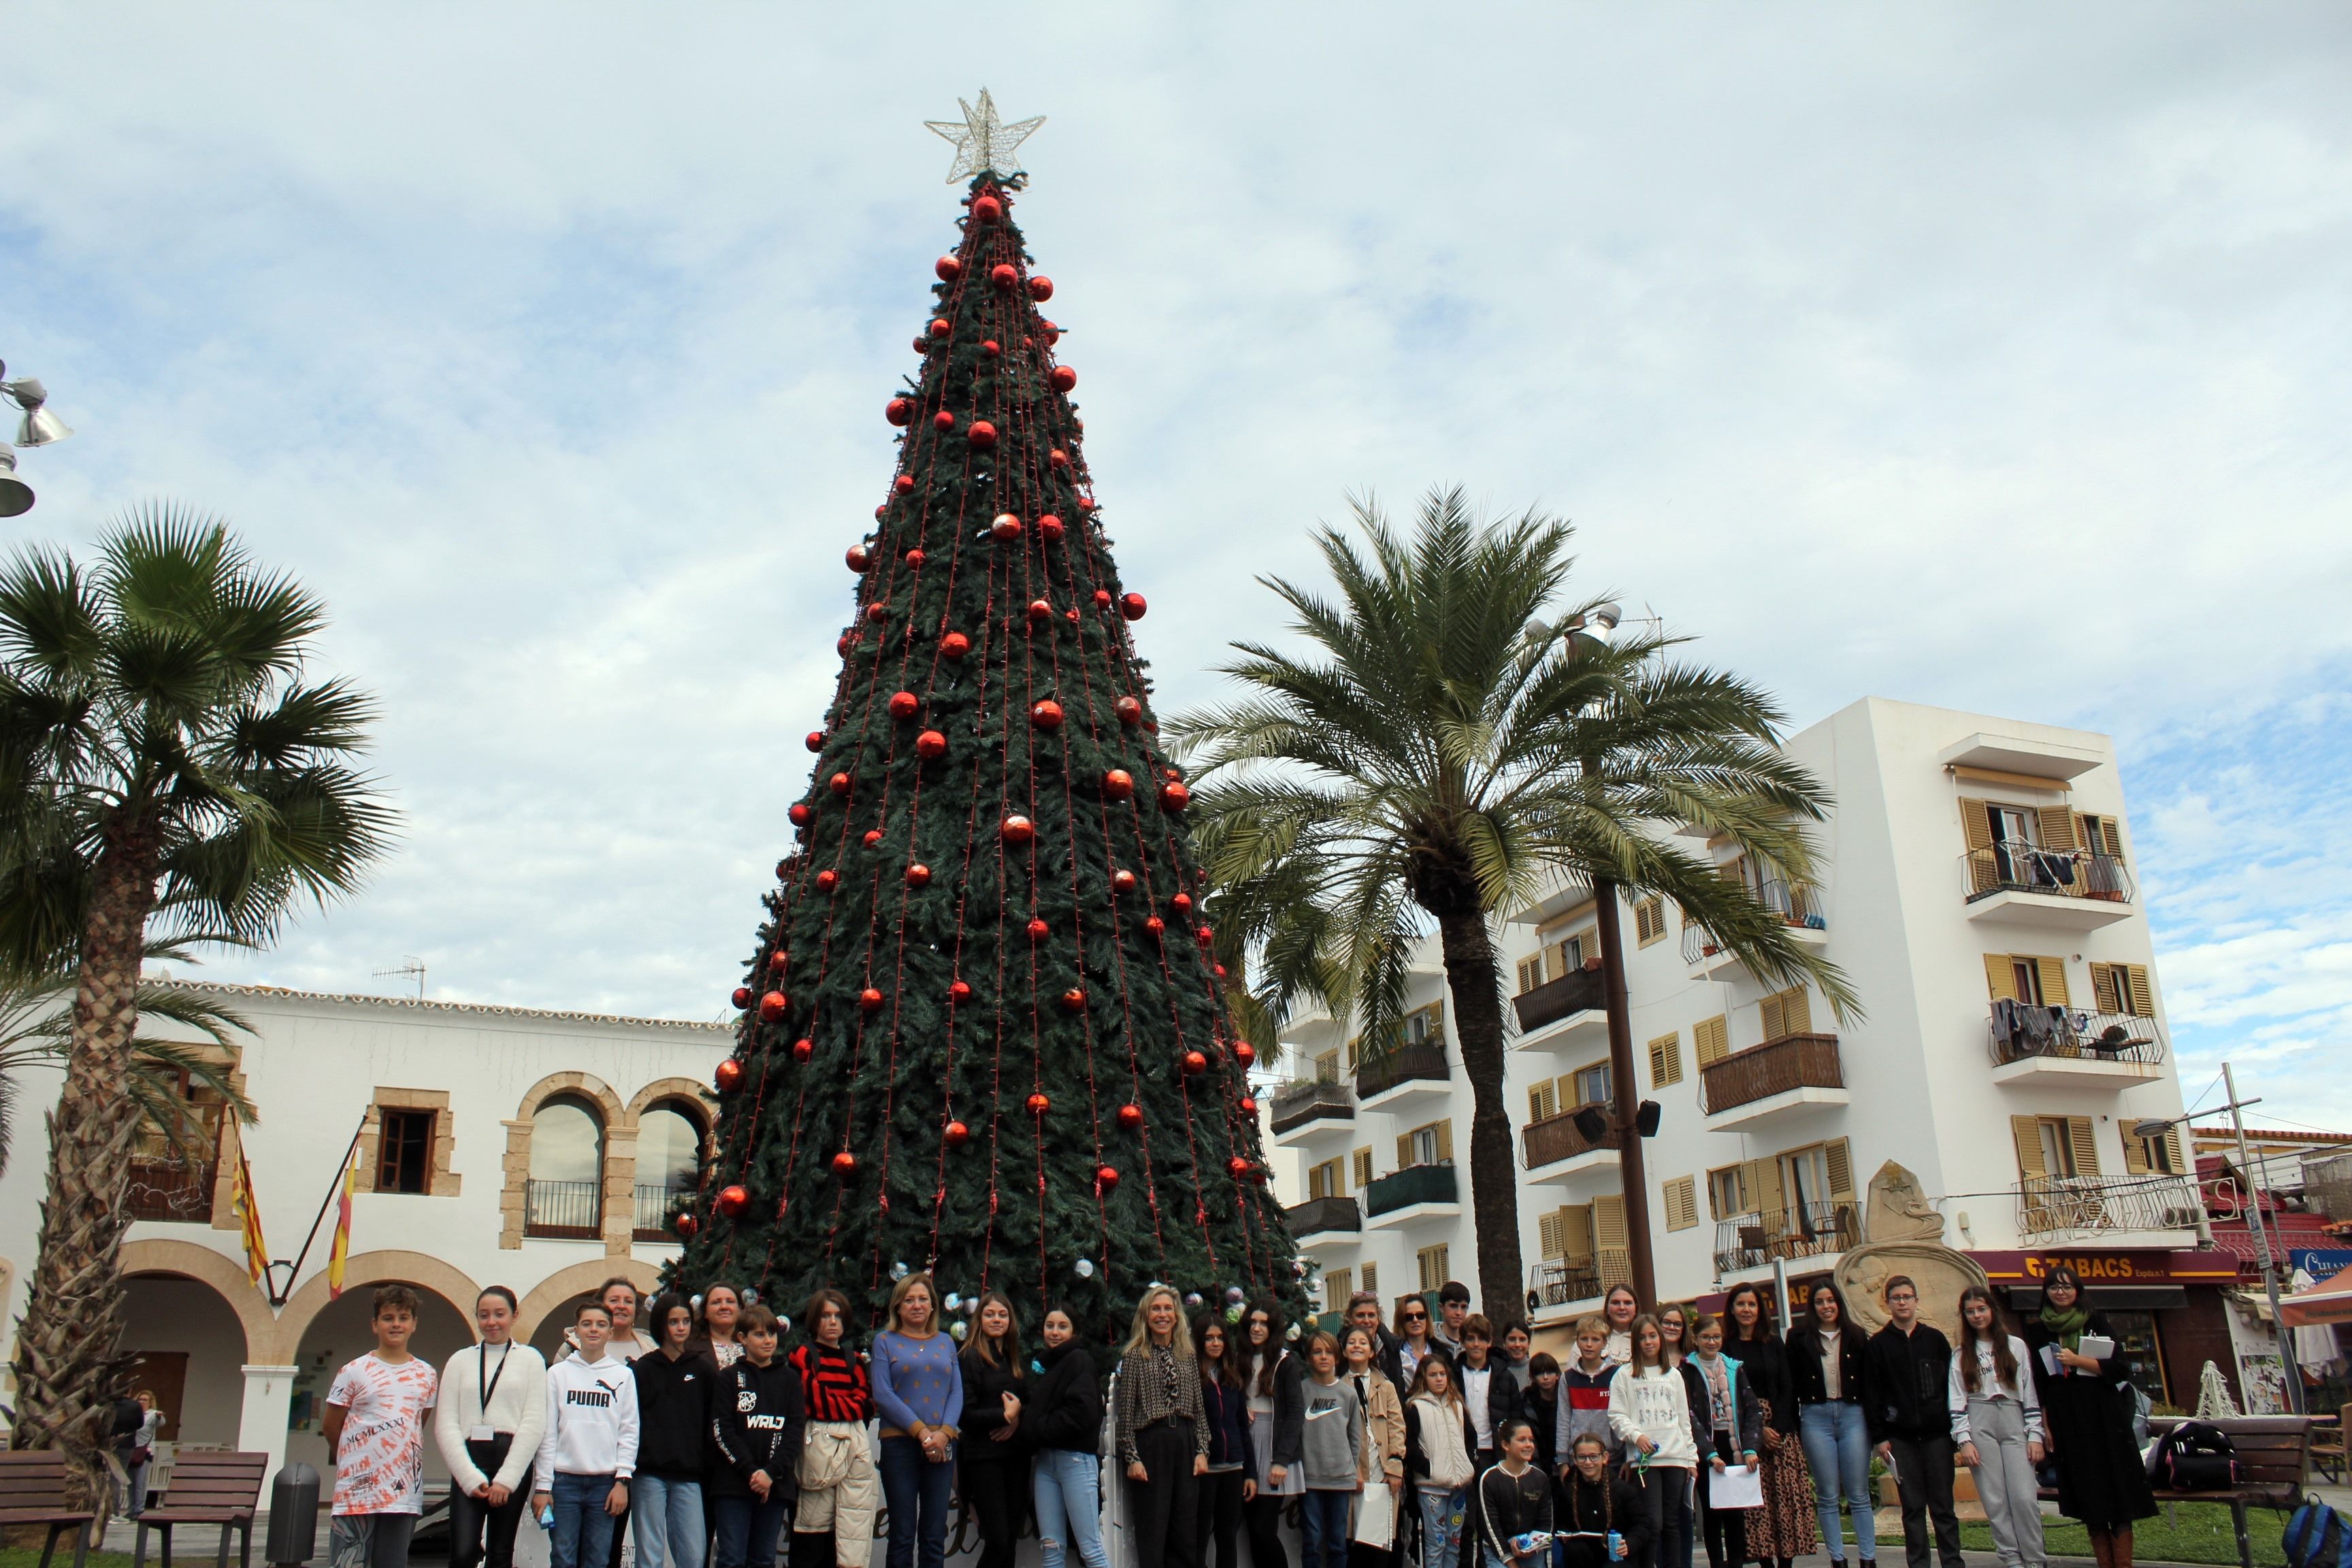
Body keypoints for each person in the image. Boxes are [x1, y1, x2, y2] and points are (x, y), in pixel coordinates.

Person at [2021, 1264, 2153, 1568]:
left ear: (2077, 1291)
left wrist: (2079, 1360)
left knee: (2117, 1498)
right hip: (2068, 1421)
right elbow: (2041, 1381)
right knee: (2089, 1500)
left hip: (2104, 1419)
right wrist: (2046, 1423)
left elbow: (2120, 1368)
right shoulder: (2039, 1329)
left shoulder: (2096, 1321)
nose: (2061, 1293)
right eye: (2054, 1288)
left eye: (2067, 1287)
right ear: (2047, 1293)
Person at [325, 1284, 440, 1568]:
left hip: (402, 1494)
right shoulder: (353, 1371)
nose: (396, 1324)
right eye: (388, 1318)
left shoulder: (426, 1374)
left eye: (403, 1318)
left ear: (414, 1324)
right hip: (357, 1491)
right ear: (375, 1325)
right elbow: (331, 1426)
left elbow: (417, 1423)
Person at [436, 1285, 549, 1568]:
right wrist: (468, 1477)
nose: (492, 1322)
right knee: (462, 1553)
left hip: (510, 1461)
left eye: (500, 1314)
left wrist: (507, 1480)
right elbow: (446, 1424)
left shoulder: (530, 1359)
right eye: (484, 1315)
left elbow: (534, 1422)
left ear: (514, 1316)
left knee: (500, 1554)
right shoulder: (459, 1360)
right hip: (470, 1462)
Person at [1865, 1277, 1963, 1568]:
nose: (1903, 1302)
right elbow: (1873, 1395)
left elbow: (1952, 1387)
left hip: (1937, 1436)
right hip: (1900, 1438)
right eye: (1897, 1298)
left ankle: (1953, 1562)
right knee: (1912, 1508)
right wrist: (1880, 1438)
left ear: (1917, 1301)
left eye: (1908, 1297)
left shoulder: (1935, 1340)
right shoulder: (1878, 1345)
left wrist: (1956, 1432)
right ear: (1888, 1303)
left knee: (1944, 1506)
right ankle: (1918, 1564)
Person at [532, 1298, 637, 1568]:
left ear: (610, 1332)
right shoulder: (557, 1374)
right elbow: (548, 1433)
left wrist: (622, 1480)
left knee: (598, 1558)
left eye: (601, 1325)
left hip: (605, 1483)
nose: (594, 1330)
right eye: (587, 1324)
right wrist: (544, 1486)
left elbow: (628, 1430)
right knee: (563, 1556)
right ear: (575, 1330)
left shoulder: (623, 1376)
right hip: (564, 1482)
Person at [872, 1272, 963, 1568]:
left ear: (933, 1305)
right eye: (909, 1300)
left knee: (935, 1534)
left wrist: (944, 1434)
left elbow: (956, 1392)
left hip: (941, 1446)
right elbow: (883, 1394)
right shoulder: (885, 1341)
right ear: (898, 1307)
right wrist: (923, 1433)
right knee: (902, 1533)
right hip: (900, 1446)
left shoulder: (947, 1342)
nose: (917, 1305)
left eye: (923, 1299)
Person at [1950, 1286, 2045, 1568]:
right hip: (1981, 1418)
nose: (1977, 1315)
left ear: (1992, 1310)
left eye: (1981, 1309)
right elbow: (1957, 1398)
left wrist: (2036, 1434)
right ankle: (2012, 1559)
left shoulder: (2015, 1346)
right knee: (1995, 1500)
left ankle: (2035, 1560)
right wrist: (1964, 1439)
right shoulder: (1961, 1353)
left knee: (2024, 1498)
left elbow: (2029, 1391)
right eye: (1970, 1311)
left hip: (2014, 1416)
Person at [1115, 1284, 1209, 1568]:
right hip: (1152, 1444)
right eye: (1156, 1309)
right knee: (1153, 1527)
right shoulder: (1134, 1356)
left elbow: (1199, 1409)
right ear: (1146, 1315)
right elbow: (1126, 1413)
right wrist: (1132, 1458)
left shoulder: (1188, 1355)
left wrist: (1202, 1450)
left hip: (1184, 1440)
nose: (1162, 1314)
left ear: (1177, 1316)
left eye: (1168, 1308)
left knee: (1184, 1529)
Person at [1720, 1285, 1814, 1568]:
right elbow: (1726, 1392)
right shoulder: (1725, 1347)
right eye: (1741, 1304)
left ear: (1760, 1310)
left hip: (1780, 1431)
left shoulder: (1774, 1343)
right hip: (1746, 1430)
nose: (1746, 1310)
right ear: (1732, 1310)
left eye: (1752, 1304)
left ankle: (1787, 1562)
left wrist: (1780, 1429)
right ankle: (1765, 1563)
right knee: (1756, 1504)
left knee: (1785, 1501)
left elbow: (1788, 1386)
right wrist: (1756, 1433)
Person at [788, 1287, 879, 1568]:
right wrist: (845, 1408)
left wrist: (836, 1406)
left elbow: (865, 1404)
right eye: (826, 1315)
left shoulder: (855, 1361)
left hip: (852, 1459)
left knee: (845, 1544)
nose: (832, 1322)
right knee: (811, 1543)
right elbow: (811, 1401)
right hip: (815, 1460)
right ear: (815, 1319)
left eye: (838, 1316)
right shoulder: (801, 1356)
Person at [1786, 1282, 1873, 1568]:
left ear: (1839, 1303)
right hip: (1815, 1415)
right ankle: (1837, 1558)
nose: (1827, 1307)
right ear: (1813, 1306)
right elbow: (1791, 1383)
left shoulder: (1856, 1335)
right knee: (1827, 1493)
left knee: (1858, 1493)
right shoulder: (1798, 1338)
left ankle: (1868, 1558)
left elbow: (1869, 1383)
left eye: (1831, 1301)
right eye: (1820, 1302)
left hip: (1852, 1415)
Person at [708, 1304, 802, 1568]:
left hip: (775, 1484)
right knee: (731, 1558)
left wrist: (770, 1474)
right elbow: (722, 1430)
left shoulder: (790, 1379)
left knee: (763, 1560)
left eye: (772, 1334)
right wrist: (751, 1472)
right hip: (733, 1484)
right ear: (742, 1338)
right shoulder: (729, 1378)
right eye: (760, 1334)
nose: (768, 1340)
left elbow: (794, 1432)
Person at [630, 1292, 713, 1568]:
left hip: (689, 1475)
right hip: (649, 1474)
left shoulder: (701, 1370)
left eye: (686, 1321)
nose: (681, 1327)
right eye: (674, 1321)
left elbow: (711, 1422)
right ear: (661, 1325)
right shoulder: (643, 1369)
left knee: (692, 1555)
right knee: (649, 1555)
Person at [1607, 1316, 1697, 1568]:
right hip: (1644, 1461)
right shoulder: (1624, 1375)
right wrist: (1637, 1436)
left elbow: (1683, 1419)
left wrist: (1691, 1458)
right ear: (1635, 1342)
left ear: (1660, 1338)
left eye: (1652, 1336)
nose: (1648, 1342)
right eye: (1642, 1337)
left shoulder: (1674, 1376)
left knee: (1672, 1523)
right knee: (1652, 1523)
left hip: (1676, 1457)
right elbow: (1616, 1415)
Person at [1030, 1303, 1111, 1568]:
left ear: (1074, 1331)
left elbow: (1083, 1412)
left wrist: (1040, 1428)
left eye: (1062, 1326)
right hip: (1045, 1465)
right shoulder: (1046, 1367)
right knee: (1052, 1551)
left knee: (1090, 1550)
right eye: (1050, 1326)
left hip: (1075, 1462)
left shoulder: (1079, 1361)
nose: (1055, 1332)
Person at [958, 1290, 1031, 1568]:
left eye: (1003, 1315)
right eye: (990, 1314)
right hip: (984, 1458)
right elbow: (965, 1415)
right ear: (980, 1319)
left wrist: (1016, 1419)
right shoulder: (970, 1357)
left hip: (1016, 1457)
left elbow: (1029, 1401)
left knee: (1011, 1540)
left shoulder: (1013, 1358)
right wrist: (1003, 1415)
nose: (997, 1319)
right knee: (998, 1539)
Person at [1686, 1316, 1761, 1568]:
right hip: (1706, 1447)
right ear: (1696, 1339)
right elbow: (1688, 1414)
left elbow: (1752, 1409)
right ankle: (1717, 1563)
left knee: (1735, 1513)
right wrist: (1708, 1452)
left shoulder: (1734, 1367)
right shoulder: (1686, 1370)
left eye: (1716, 1337)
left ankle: (1737, 1562)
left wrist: (1750, 1447)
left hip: (1734, 1445)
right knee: (1711, 1512)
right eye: (1706, 1337)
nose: (1711, 1342)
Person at [1241, 1297, 1306, 1568]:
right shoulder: (1239, 1358)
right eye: (1253, 1322)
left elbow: (1294, 1411)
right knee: (1252, 1535)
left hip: (1272, 1447)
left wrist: (1281, 1459)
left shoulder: (1285, 1361)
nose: (1257, 1328)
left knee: (1263, 1530)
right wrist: (1240, 1406)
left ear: (1273, 1328)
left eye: (1263, 1324)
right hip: (1246, 1446)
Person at [1196, 1313, 1258, 1568]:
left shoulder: (1232, 1379)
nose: (1215, 1343)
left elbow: (1243, 1429)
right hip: (1204, 1470)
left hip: (1233, 1468)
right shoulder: (1193, 1379)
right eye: (1209, 1338)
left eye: (1220, 1338)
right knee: (1198, 1537)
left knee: (1227, 1536)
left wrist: (1250, 1473)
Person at [1405, 1353, 1478, 1568]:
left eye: (1443, 1374)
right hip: (1432, 1488)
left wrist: (1470, 1465)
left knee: (1453, 1542)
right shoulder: (1415, 1407)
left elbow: (1470, 1437)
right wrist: (1427, 1468)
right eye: (1433, 1375)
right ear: (1423, 1378)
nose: (1439, 1379)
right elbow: (1409, 1445)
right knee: (1435, 1543)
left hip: (1458, 1486)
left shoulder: (1457, 1405)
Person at [1343, 1324, 1406, 1568]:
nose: (1357, 1346)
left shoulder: (1386, 1387)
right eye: (1352, 1342)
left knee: (1380, 1546)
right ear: (1344, 1350)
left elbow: (1397, 1428)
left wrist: (1394, 1467)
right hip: (1355, 1476)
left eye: (1363, 1342)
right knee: (1355, 1545)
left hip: (1382, 1475)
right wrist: (1352, 1470)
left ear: (1372, 1352)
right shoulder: (1340, 1388)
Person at [1558, 1433, 1650, 1568]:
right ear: (1575, 1460)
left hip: (1615, 1556)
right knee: (1574, 1550)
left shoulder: (1622, 1489)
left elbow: (1642, 1524)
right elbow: (1561, 1524)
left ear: (1605, 1457)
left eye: (1594, 1456)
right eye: (1582, 1457)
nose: (1588, 1462)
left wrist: (1629, 1543)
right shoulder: (1568, 1490)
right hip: (1584, 1556)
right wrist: (1565, 1536)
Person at [1477, 1418, 1553, 1568]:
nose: (1528, 1445)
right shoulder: (1490, 1478)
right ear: (1506, 1445)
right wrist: (1510, 1562)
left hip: (1531, 1547)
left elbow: (1546, 1524)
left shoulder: (1540, 1478)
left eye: (1531, 1440)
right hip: (1499, 1547)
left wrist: (1531, 1547)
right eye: (1522, 1440)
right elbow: (1490, 1527)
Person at [1456, 1316, 1517, 1471]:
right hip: (1463, 1451)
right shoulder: (1453, 1375)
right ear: (1462, 1341)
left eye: (1482, 1339)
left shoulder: (1505, 1377)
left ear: (1489, 1342)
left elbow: (1516, 1417)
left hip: (1496, 1451)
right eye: (1471, 1339)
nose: (1476, 1344)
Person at [1558, 1316, 1618, 1466]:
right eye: (1584, 1339)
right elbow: (1563, 1419)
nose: (1589, 1345)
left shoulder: (1616, 1375)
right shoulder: (1568, 1378)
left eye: (1595, 1340)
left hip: (1612, 1457)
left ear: (1605, 1343)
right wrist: (1563, 1459)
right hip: (1578, 1458)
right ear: (1577, 1341)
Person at [1350, 1292, 1406, 1389]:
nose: (1366, 1321)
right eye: (1360, 1315)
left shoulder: (1395, 1349)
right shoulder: (1340, 1350)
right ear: (1350, 1319)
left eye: (1371, 1315)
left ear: (1378, 1319)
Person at [1522, 1354, 1561, 1477]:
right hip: (1538, 1460)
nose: (1545, 1378)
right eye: (1540, 1374)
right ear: (1533, 1378)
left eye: (1549, 1373)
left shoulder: (1565, 1397)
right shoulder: (1526, 1400)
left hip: (1562, 1459)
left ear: (1557, 1375)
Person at [1395, 1295, 1444, 1392]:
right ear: (1401, 1321)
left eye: (1420, 1315)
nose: (1415, 1320)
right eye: (1409, 1317)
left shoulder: (1442, 1353)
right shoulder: (1394, 1355)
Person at [697, 1284, 745, 1368]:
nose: (724, 1307)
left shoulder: (753, 1345)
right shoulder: (690, 1349)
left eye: (730, 1301)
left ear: (740, 1310)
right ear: (705, 1312)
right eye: (716, 1302)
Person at [1599, 1288, 1640, 1365]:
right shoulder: (1590, 1338)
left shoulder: (1645, 1340)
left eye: (1628, 1303)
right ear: (1607, 1308)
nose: (1622, 1307)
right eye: (1615, 1303)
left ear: (1636, 1308)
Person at [1435, 1283, 1473, 1356]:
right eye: (1453, 1306)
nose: (1459, 1313)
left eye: (1463, 1307)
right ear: (1441, 1307)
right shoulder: (1429, 1340)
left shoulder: (1475, 1342)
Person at [1499, 1323, 1535, 1393]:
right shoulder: (1496, 1371)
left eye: (1522, 1340)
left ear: (1529, 1343)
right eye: (1512, 1339)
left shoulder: (1538, 1367)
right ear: (1504, 1343)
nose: (1517, 1344)